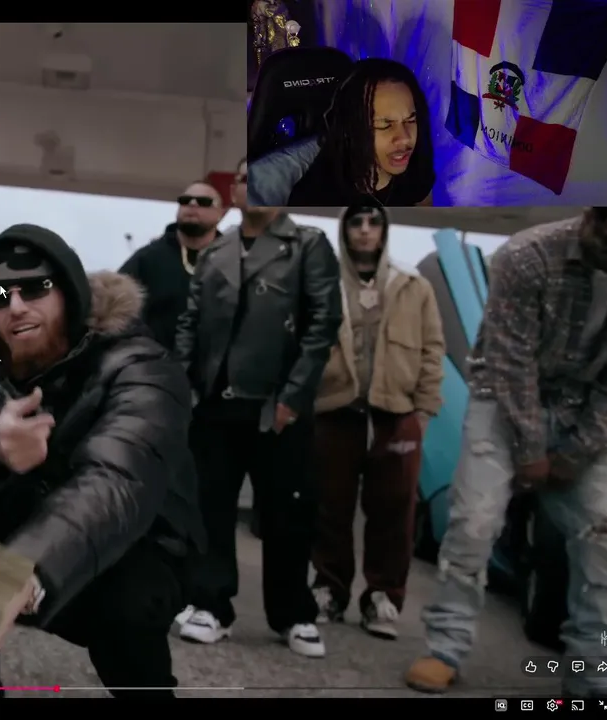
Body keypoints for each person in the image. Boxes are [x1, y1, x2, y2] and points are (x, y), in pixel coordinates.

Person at [0, 224, 203, 698]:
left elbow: (114, 481)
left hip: (139, 536)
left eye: (35, 288)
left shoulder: (140, 364)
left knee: (126, 609)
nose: (16, 306)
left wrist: (20, 570)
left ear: (69, 291)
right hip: (27, 509)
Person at [406, 207, 607, 698]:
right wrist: (531, 451)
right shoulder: (527, 255)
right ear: (591, 221)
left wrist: (579, 451)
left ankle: (598, 666)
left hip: (584, 408)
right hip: (501, 400)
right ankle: (445, 648)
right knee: (474, 523)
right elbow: (511, 361)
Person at [172, 207, 342, 657]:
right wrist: (188, 386)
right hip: (216, 401)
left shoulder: (307, 243)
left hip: (277, 403)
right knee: (211, 508)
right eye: (246, 176)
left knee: (288, 512)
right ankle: (211, 605)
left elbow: (323, 322)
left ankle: (293, 614)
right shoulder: (218, 249)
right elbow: (190, 319)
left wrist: (294, 395)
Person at [310, 204, 445, 639]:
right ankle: (329, 589)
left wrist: (424, 410)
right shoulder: (323, 281)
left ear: (385, 230)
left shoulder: (412, 285)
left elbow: (432, 349)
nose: (365, 231)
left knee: (394, 509)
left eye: (374, 222)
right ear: (344, 229)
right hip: (336, 408)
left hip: (396, 412)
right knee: (329, 505)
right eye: (356, 222)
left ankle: (384, 596)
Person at [286, 58, 435, 208]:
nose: (405, 138)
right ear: (350, 128)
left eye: (410, 120)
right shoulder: (314, 202)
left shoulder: (416, 164)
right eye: (385, 125)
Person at [119, 180, 226, 352]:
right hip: (157, 362)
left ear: (220, 213)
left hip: (215, 364)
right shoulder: (148, 258)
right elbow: (117, 310)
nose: (192, 204)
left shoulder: (233, 260)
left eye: (203, 202)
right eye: (185, 200)